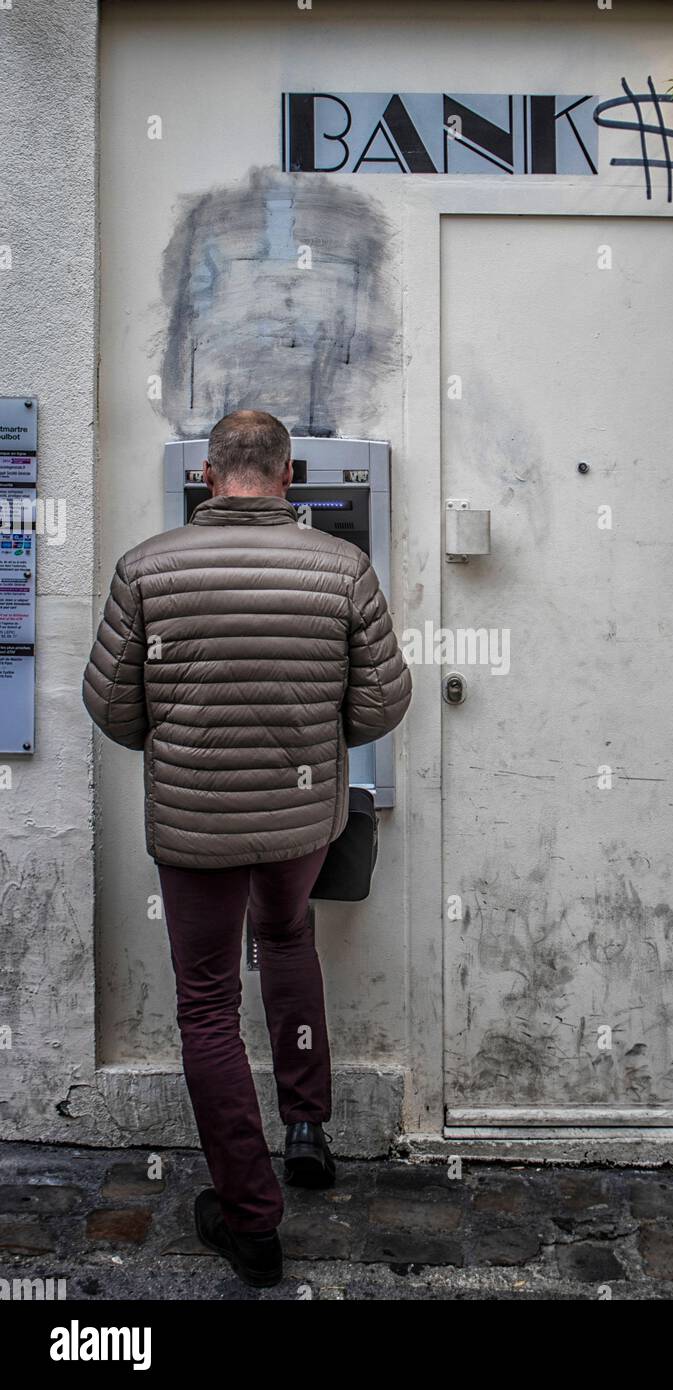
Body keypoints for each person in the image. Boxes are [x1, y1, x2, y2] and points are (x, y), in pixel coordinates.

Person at [82, 410, 412, 1288]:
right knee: (288, 936)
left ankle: (250, 1218)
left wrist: (185, 739)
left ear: (207, 476)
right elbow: (381, 705)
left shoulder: (147, 568)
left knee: (206, 1003)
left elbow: (112, 708)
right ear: (289, 475)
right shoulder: (342, 567)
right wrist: (311, 734)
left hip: (194, 822)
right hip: (304, 816)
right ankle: (306, 1126)